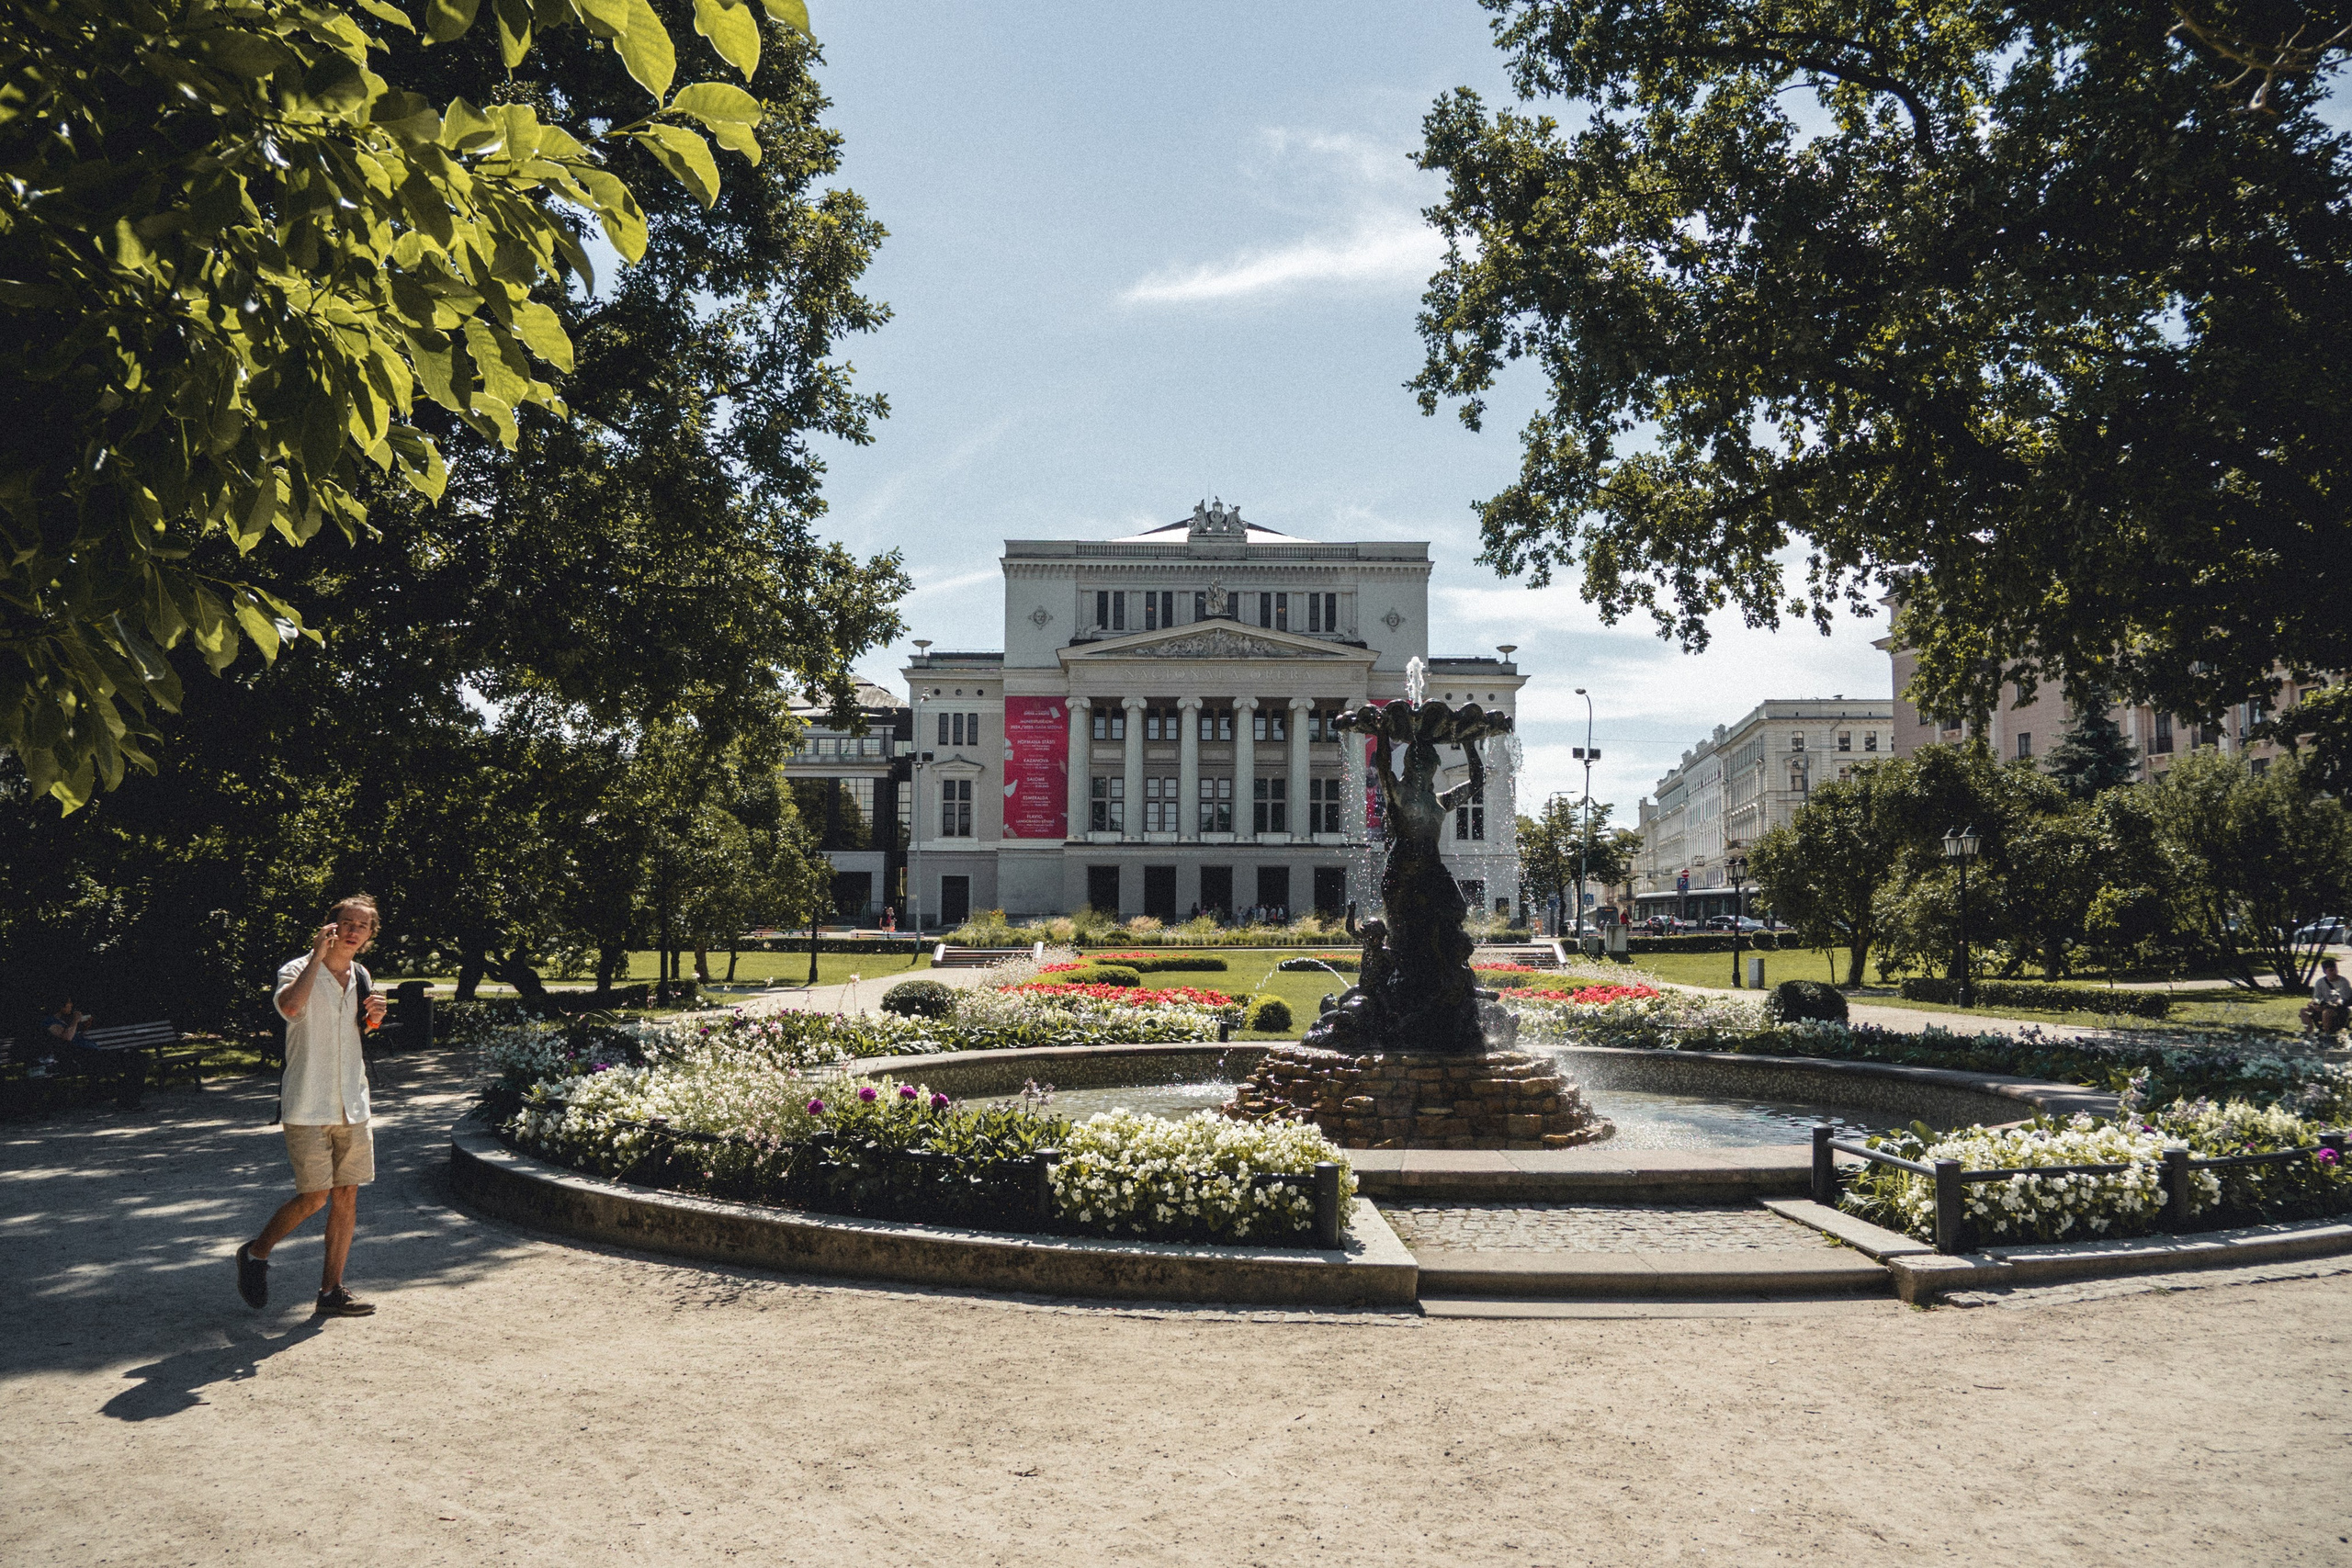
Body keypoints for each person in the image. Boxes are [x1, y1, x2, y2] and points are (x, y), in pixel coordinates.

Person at [234, 895, 388, 1318]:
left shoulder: (361, 974)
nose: (354, 930)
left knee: (346, 1196)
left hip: (352, 1102)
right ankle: (257, 1252)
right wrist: (317, 959)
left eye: (363, 926)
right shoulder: (297, 969)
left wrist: (374, 1017)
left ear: (370, 935)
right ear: (331, 926)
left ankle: (331, 1291)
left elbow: (359, 1032)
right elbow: (291, 1008)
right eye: (347, 923)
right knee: (314, 1196)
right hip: (307, 1101)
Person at [40, 996, 145, 1106]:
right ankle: (129, 1100)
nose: (71, 1005)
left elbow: (75, 1037)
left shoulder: (62, 1021)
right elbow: (67, 1037)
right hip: (83, 1058)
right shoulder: (49, 1022)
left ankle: (128, 1098)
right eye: (69, 1003)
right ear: (60, 1006)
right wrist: (75, 1020)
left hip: (92, 1053)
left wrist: (85, 1027)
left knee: (138, 1057)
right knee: (136, 1059)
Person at [2304, 957, 2351, 1037]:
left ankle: (2327, 1035)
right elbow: (2317, 997)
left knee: (2326, 1012)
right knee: (2303, 1011)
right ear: (2325, 971)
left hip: (2338, 1008)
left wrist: (2328, 1006)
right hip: (2323, 1005)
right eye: (2331, 970)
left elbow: (2344, 999)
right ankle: (2310, 1034)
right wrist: (2314, 1004)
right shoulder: (2320, 982)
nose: (2334, 972)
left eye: (2335, 969)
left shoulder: (2343, 982)